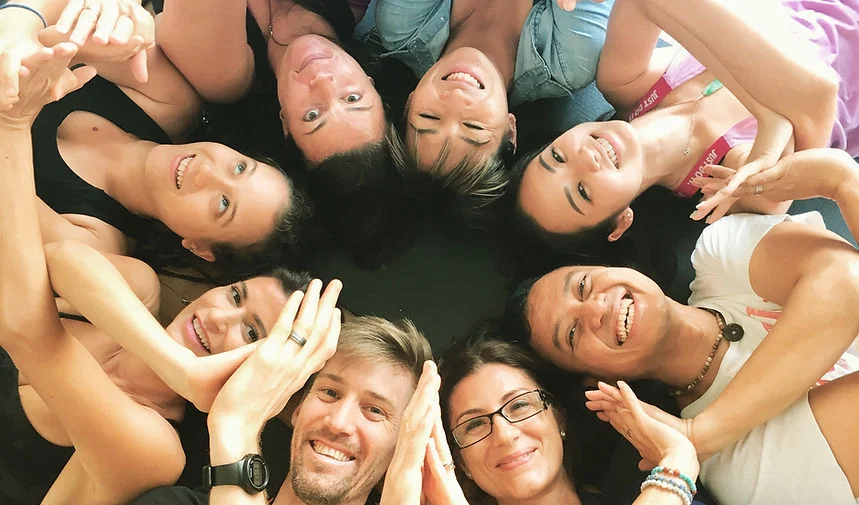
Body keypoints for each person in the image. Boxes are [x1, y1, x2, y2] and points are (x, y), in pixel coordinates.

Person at [0, 44, 319, 505]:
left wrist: (11, 124)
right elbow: (64, 260)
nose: (219, 316)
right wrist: (178, 366)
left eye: (251, 331)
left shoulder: (158, 452)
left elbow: (29, 336)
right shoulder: (137, 294)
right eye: (235, 296)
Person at [505, 147, 859, 505]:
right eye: (572, 334)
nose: (596, 309)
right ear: (595, 382)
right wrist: (843, 185)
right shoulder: (735, 468)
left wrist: (842, 181)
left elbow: (846, 282)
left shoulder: (720, 257)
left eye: (584, 285)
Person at [60, 316, 437, 505]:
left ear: (401, 451)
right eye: (329, 392)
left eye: (374, 410)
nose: (338, 422)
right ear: (299, 408)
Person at [424, 332, 751, 505]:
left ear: (559, 419)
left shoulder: (642, 497)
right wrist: (679, 461)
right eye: (474, 425)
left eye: (520, 405)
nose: (505, 434)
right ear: (461, 463)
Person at [514, 0, 858, 250]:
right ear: (621, 221)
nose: (586, 159)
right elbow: (820, 90)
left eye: (557, 157)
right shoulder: (732, 186)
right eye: (582, 192)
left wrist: (768, 112)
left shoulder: (622, 81)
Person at [0, 0, 312, 272]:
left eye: (222, 204)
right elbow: (68, 21)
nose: (206, 171)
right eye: (240, 168)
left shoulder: (93, 238)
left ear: (199, 247)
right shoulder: (171, 103)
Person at [156, 0, 412, 268]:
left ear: (285, 123)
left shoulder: (221, 75)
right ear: (371, 84)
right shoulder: (356, 9)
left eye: (312, 116)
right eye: (352, 98)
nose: (322, 81)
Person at [373, 0, 615, 221]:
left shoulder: (402, 25)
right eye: (473, 126)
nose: (456, 98)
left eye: (430, 116)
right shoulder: (571, 59)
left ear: (410, 102)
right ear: (510, 131)